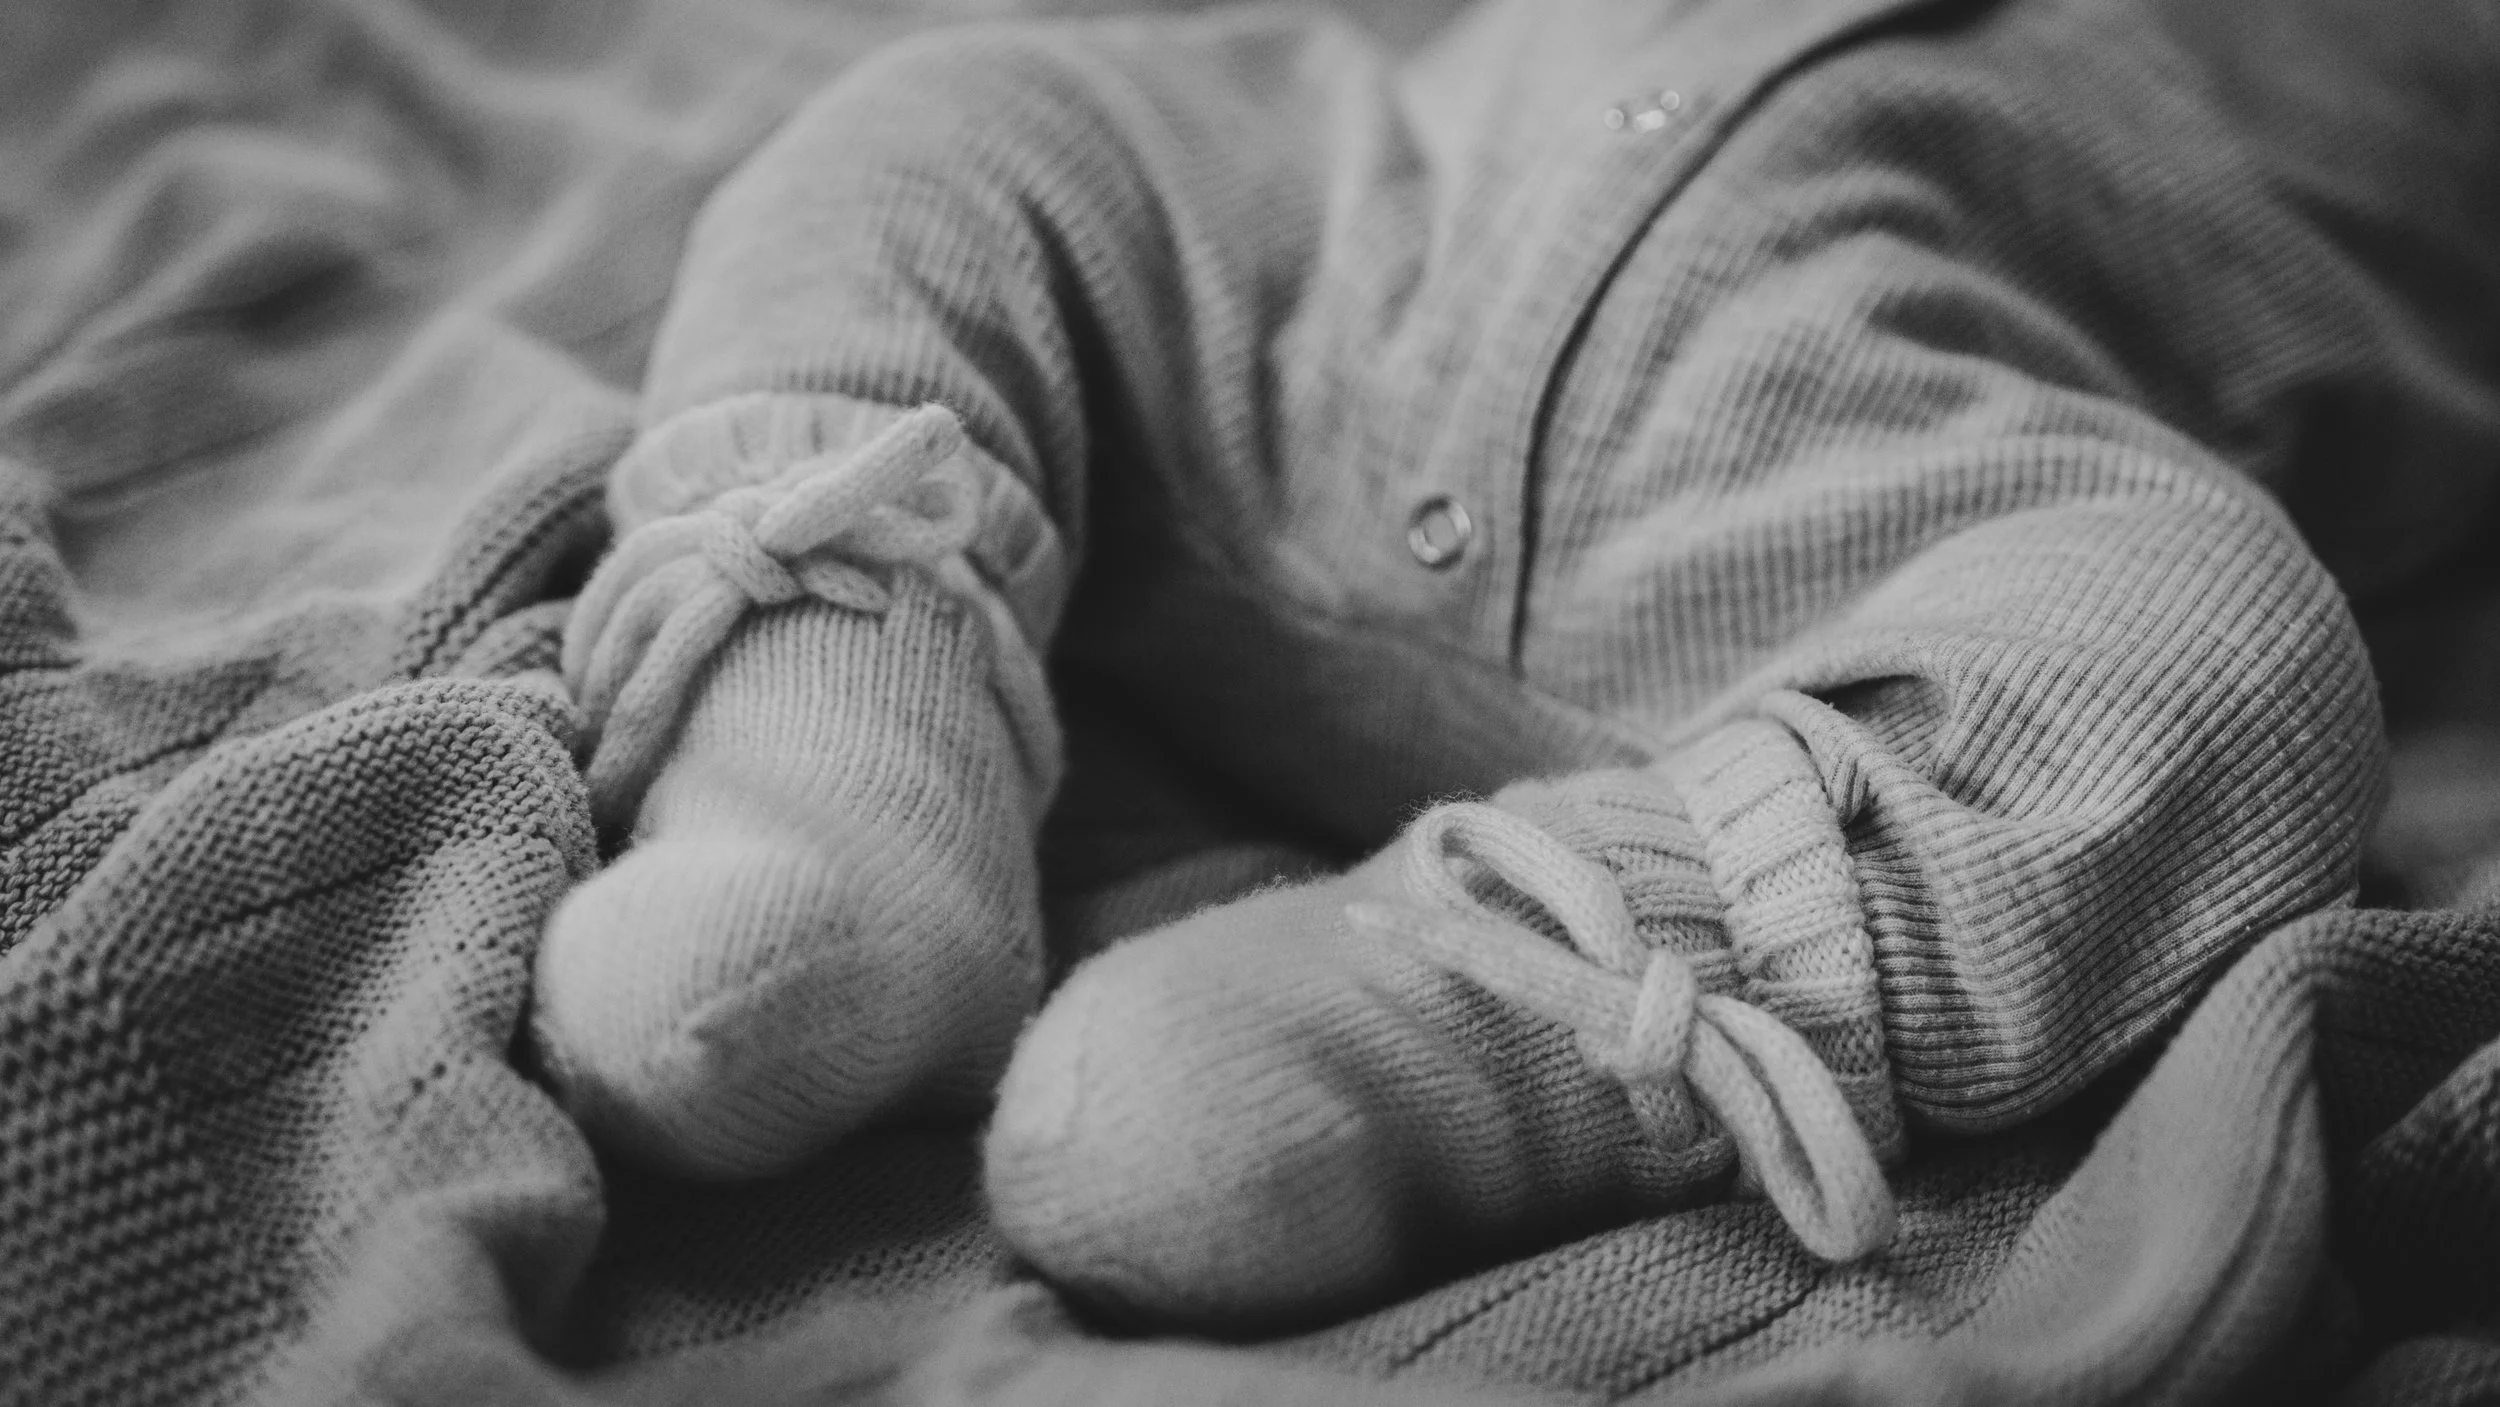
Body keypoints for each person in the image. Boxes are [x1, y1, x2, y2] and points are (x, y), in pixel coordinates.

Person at [528, 0, 2499, 1335]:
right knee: (953, 116)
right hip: (1343, 238)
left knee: (2215, 644)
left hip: (1846, 441)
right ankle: (839, 760)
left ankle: (1491, 1011)